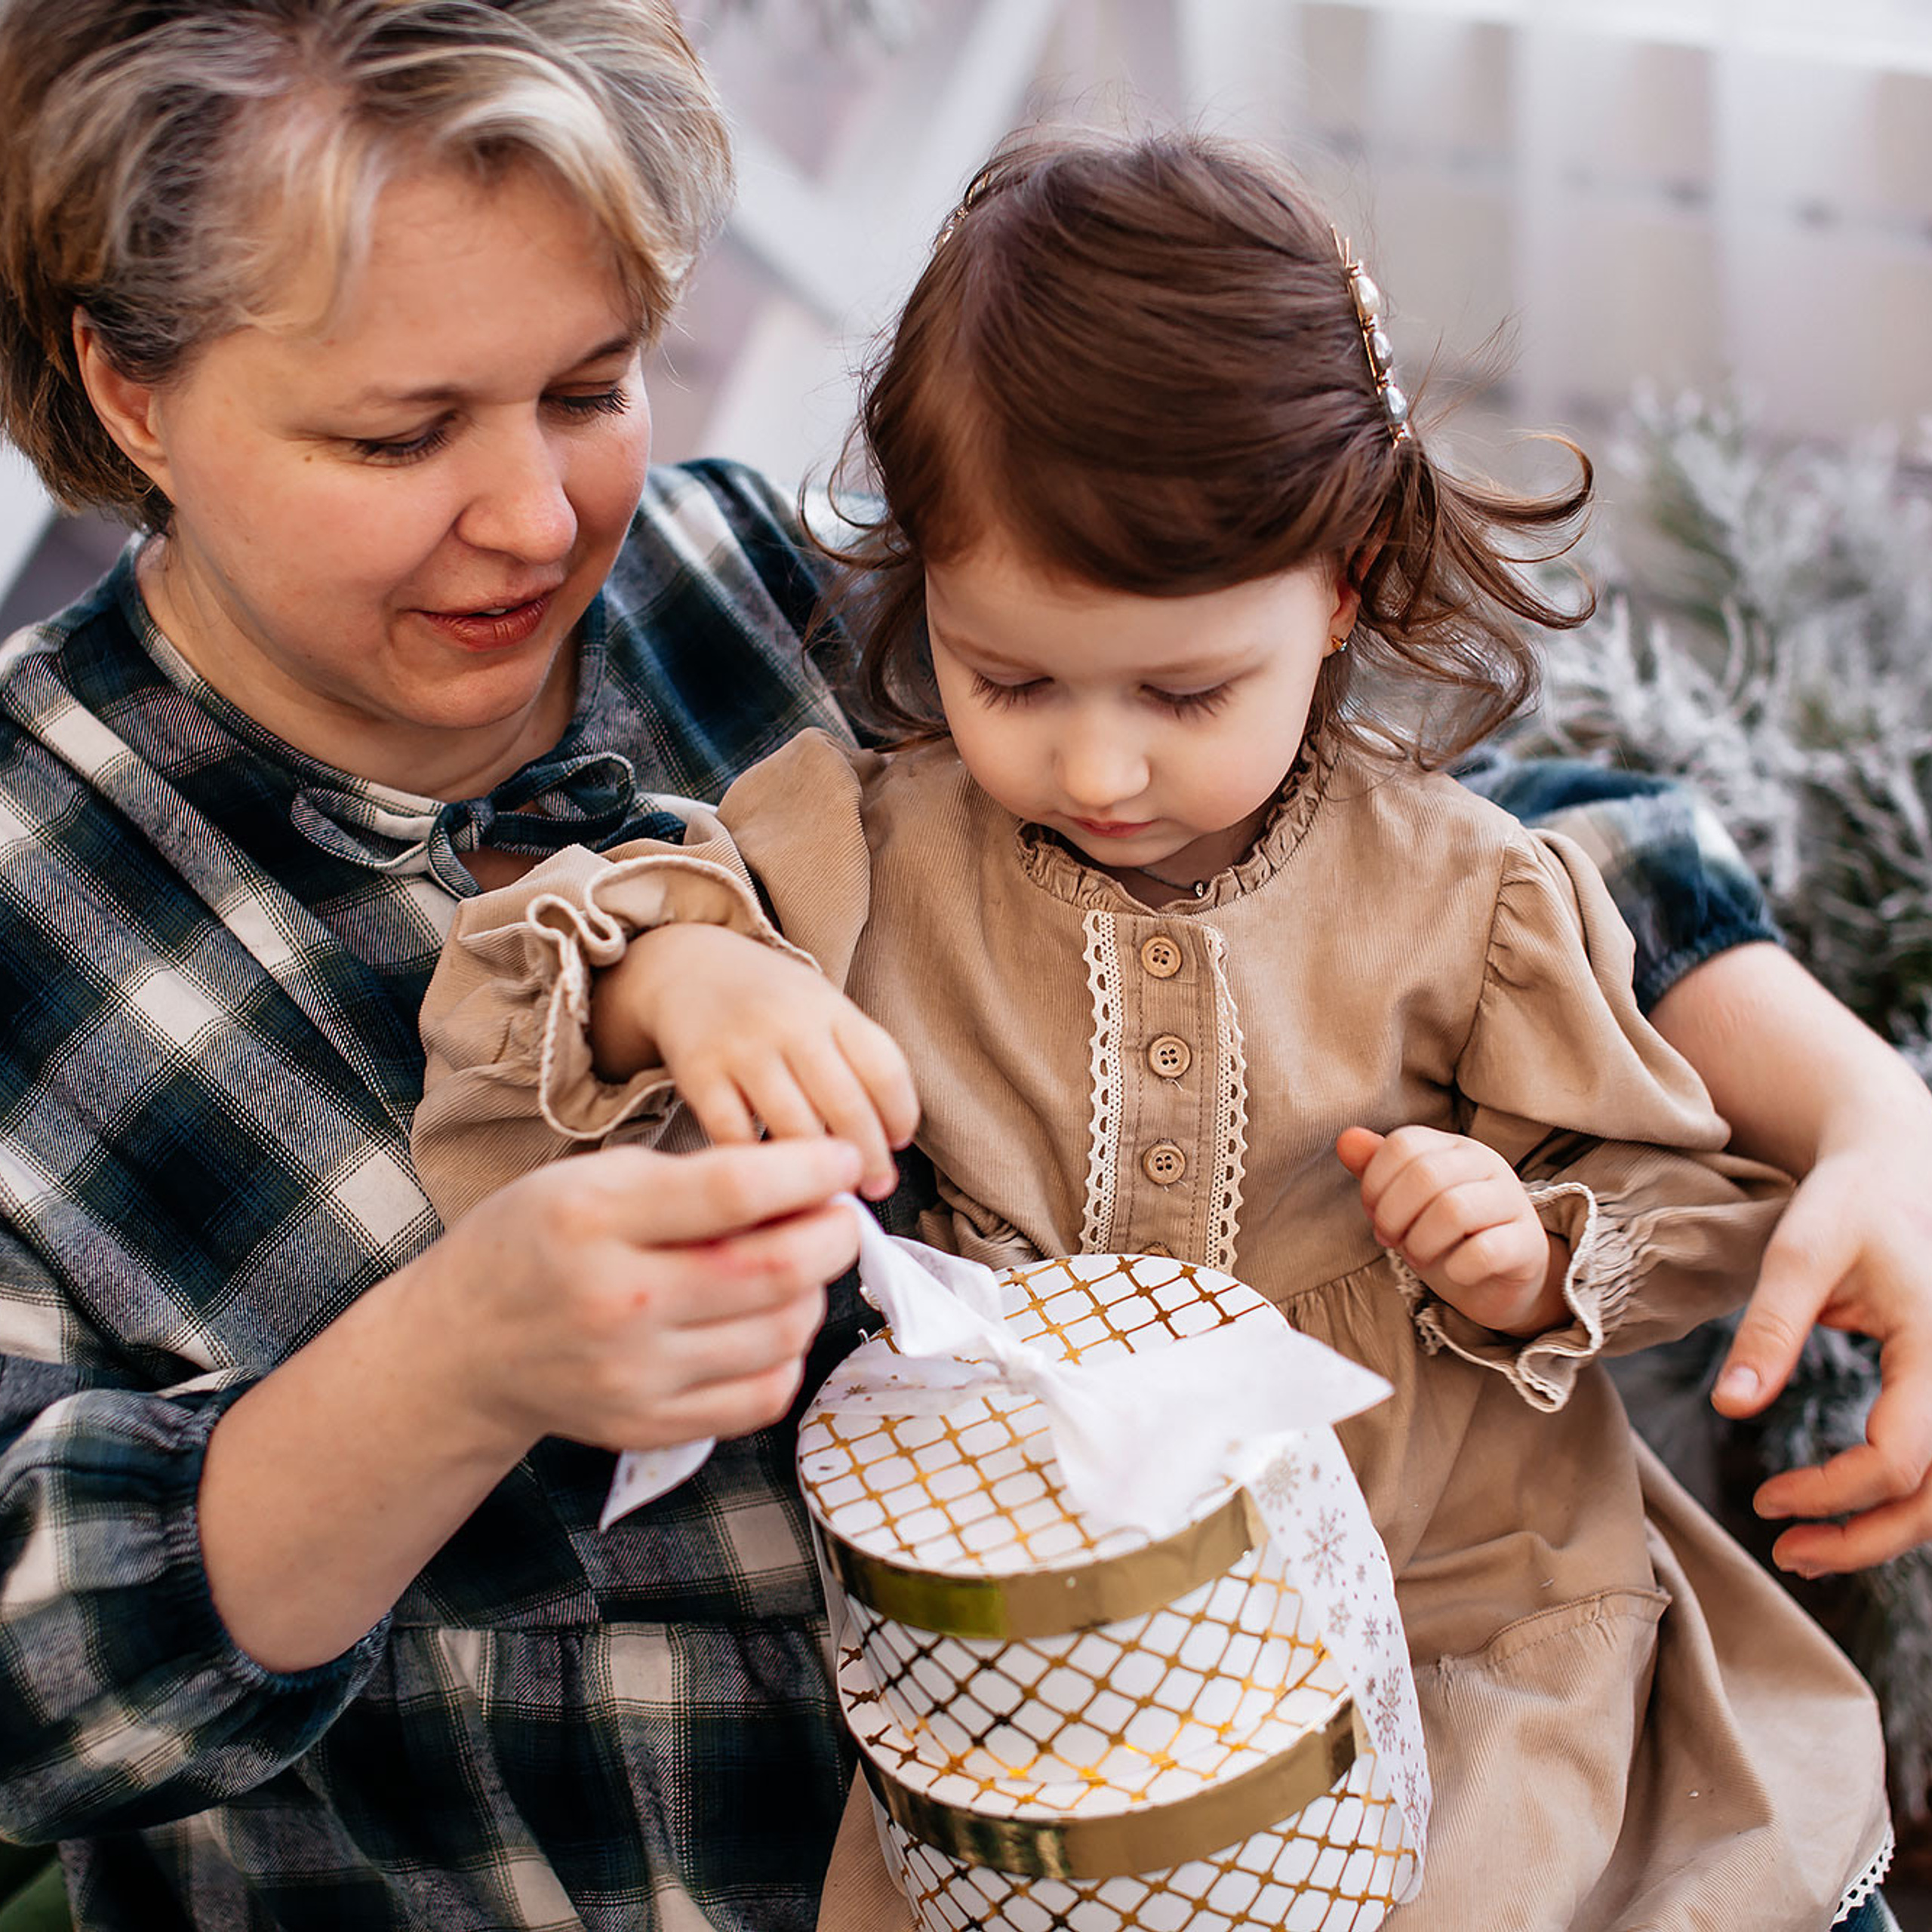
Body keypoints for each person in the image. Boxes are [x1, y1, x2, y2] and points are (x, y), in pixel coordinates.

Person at [0, 4, 1922, 1929]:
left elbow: (1393, 845)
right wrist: (449, 1369)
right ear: (130, 383)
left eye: (590, 386)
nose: (533, 516)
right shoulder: (36, 891)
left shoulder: (736, 585)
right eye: (398, 430)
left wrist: (1864, 1114)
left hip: (1315, 1793)